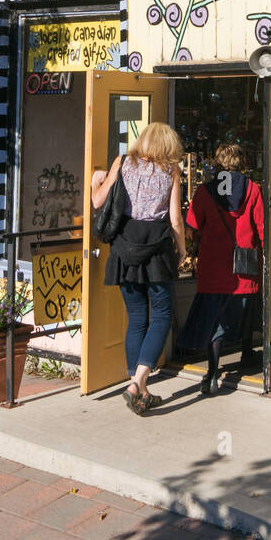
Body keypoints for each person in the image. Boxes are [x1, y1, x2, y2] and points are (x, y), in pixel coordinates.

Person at [92, 123, 186, 415]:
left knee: (136, 317)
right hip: (156, 246)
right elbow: (175, 220)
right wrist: (182, 249)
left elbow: (97, 200)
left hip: (124, 244)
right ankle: (138, 383)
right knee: (161, 314)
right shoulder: (171, 171)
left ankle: (139, 385)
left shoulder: (121, 162)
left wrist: (96, 180)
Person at [177, 143, 264, 395]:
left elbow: (192, 226)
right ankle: (247, 351)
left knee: (216, 321)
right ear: (240, 161)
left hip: (213, 266)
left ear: (218, 161)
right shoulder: (253, 190)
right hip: (243, 264)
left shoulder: (205, 192)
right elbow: (260, 227)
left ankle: (212, 373)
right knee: (245, 311)